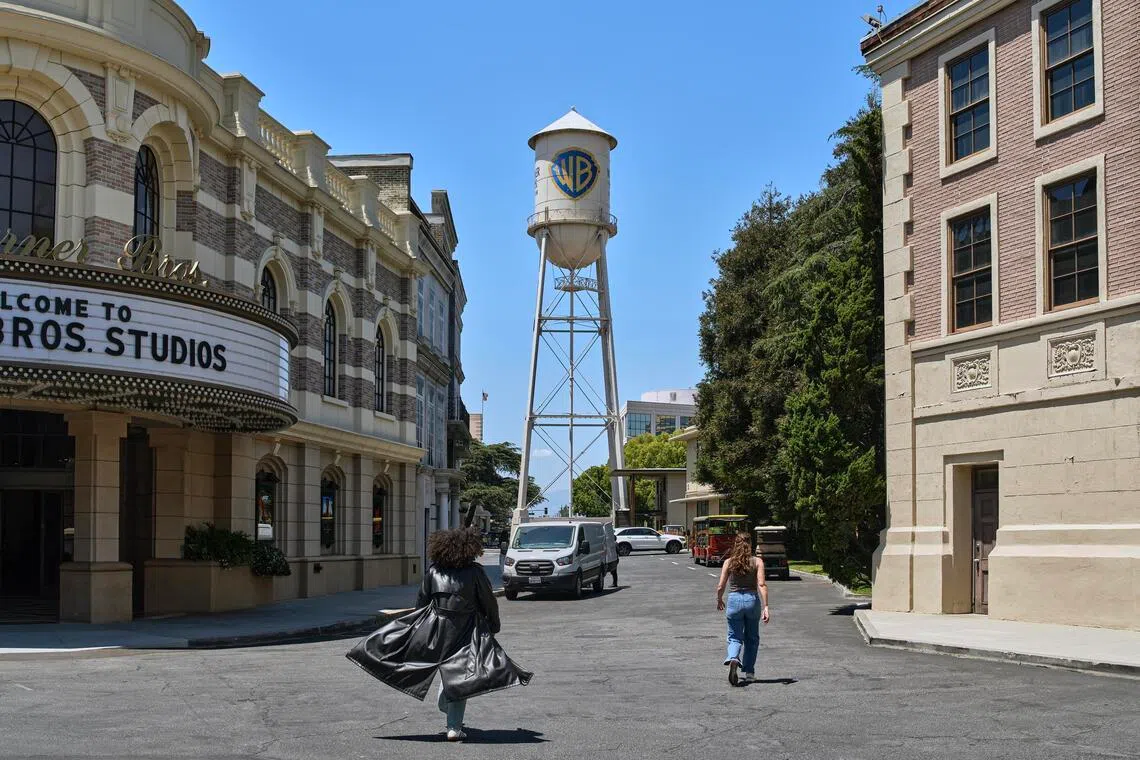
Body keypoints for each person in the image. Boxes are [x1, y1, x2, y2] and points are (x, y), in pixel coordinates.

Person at [347, 527, 532, 742]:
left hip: (436, 629)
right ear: (468, 549)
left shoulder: (434, 572)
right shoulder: (475, 573)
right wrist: (493, 625)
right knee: (460, 676)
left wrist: (414, 629)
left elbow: (421, 604)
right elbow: (488, 603)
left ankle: (451, 718)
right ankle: (453, 726)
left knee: (443, 671)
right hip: (467, 628)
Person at [715, 532, 769, 686]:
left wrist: (719, 599)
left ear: (735, 544)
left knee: (734, 636)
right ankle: (750, 673)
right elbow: (761, 585)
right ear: (750, 545)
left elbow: (721, 586)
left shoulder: (729, 562)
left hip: (734, 600)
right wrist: (766, 606)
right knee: (752, 638)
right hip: (752, 600)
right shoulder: (757, 561)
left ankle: (733, 658)